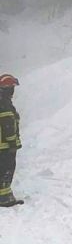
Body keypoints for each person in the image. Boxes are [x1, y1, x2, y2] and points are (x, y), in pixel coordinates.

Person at [0, 74, 22, 207]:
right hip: (5, 145)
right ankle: (4, 198)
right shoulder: (4, 102)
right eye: (12, 87)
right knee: (6, 169)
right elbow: (8, 124)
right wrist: (12, 142)